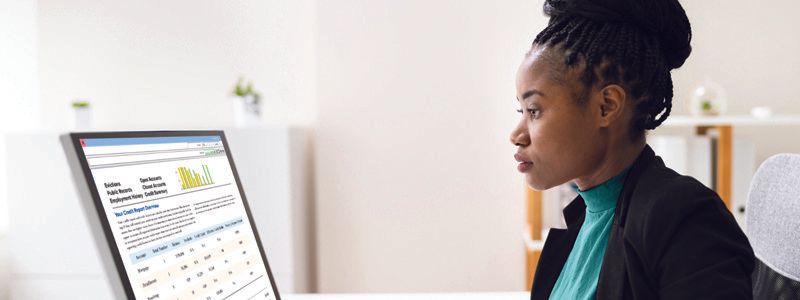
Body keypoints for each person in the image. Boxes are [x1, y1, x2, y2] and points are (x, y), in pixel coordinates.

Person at [509, 0, 755, 299]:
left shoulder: (686, 219)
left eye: (534, 110)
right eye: (520, 110)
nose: (517, 135)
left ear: (606, 106)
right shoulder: (581, 220)